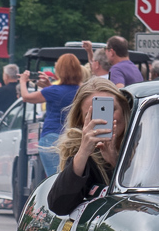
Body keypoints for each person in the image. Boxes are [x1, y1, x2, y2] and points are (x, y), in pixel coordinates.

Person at [48, 78, 132, 215]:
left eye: (112, 109)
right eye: (92, 115)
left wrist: (115, 162)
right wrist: (83, 152)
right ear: (81, 121)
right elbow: (59, 206)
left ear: (124, 109)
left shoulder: (143, 142)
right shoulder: (84, 157)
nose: (105, 119)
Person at [20, 53, 84, 176]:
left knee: (54, 179)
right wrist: (49, 86)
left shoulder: (53, 91)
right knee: (71, 177)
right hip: (75, 138)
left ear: (60, 71)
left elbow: (26, 97)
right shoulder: (82, 90)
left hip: (52, 137)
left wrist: (23, 81)